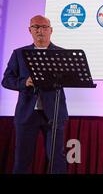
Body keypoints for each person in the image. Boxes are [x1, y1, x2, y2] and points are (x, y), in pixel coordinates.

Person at [2, 15, 68, 173]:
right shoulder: (19, 53)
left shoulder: (62, 54)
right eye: (36, 27)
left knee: (57, 159)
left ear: (51, 31)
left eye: (44, 27)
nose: (40, 31)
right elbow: (6, 80)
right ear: (30, 30)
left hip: (54, 113)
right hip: (26, 114)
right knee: (22, 160)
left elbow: (70, 79)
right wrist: (24, 83)